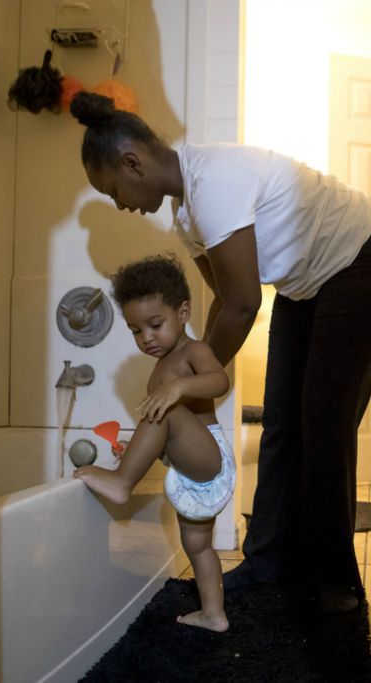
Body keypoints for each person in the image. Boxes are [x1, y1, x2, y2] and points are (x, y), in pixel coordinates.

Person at [70, 91, 371, 612]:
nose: (121, 205)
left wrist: (190, 380)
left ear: (131, 162)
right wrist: (196, 381)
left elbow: (245, 303)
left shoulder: (213, 184)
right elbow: (224, 302)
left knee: (323, 423)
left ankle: (335, 581)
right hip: (308, 282)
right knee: (280, 422)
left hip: (363, 260)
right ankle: (270, 561)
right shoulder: (186, 214)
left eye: (113, 190)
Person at [74, 254, 234, 633]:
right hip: (191, 472)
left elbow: (219, 382)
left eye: (155, 324)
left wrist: (178, 387)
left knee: (167, 408)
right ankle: (214, 614)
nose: (146, 337)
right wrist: (136, 450)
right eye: (135, 330)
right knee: (198, 547)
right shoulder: (158, 369)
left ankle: (121, 482)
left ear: (183, 312)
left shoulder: (193, 352)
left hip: (210, 458)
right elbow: (168, 436)